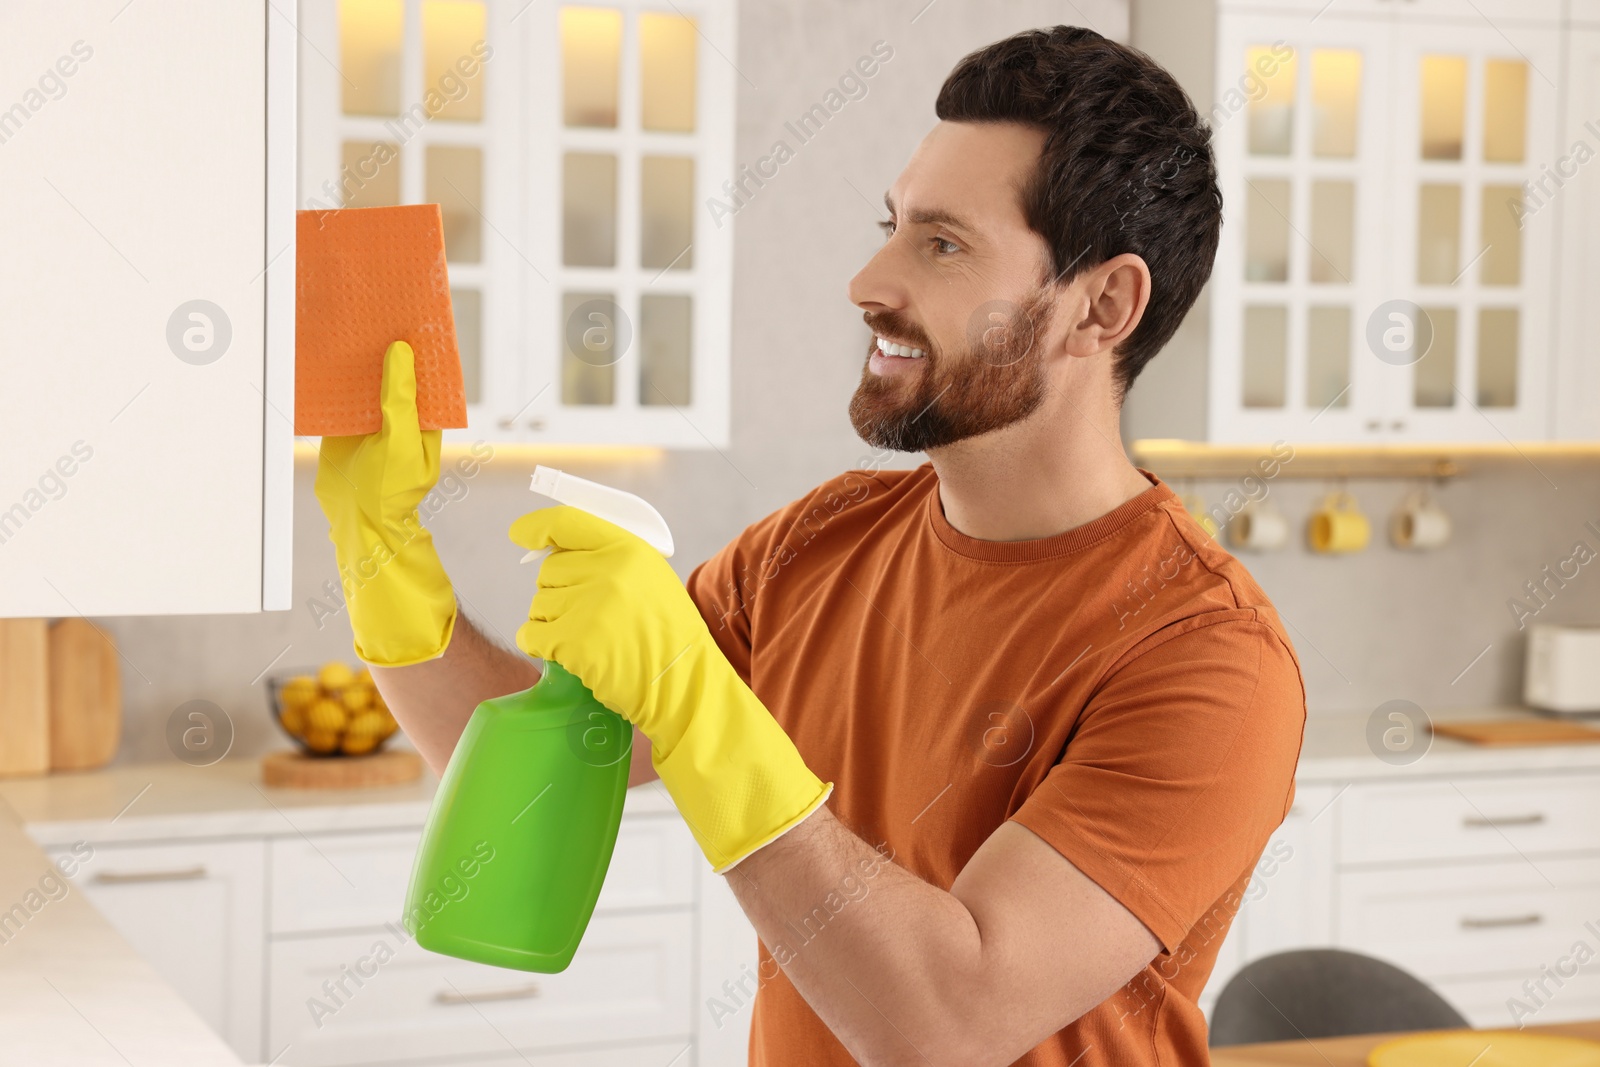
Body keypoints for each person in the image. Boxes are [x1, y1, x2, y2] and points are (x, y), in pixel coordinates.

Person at [314, 25, 1306, 1067]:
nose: (868, 279)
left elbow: (943, 1021)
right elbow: (528, 769)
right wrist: (382, 552)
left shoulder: (1204, 658)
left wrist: (701, 707)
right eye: (892, 225)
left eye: (942, 243)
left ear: (1102, 305)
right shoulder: (817, 544)